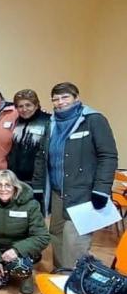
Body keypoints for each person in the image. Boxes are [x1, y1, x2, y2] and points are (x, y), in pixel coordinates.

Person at [33, 82, 118, 269]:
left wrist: (102, 190)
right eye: (55, 99)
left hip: (83, 194)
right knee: (56, 234)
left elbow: (108, 156)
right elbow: (42, 157)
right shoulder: (51, 123)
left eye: (65, 97)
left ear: (76, 98)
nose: (59, 102)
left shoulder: (94, 120)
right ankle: (61, 277)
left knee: (75, 241)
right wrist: (38, 188)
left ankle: (75, 283)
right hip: (56, 192)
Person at [0, 169, 50, 294]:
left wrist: (16, 250)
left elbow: (42, 237)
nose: (3, 189)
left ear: (15, 188)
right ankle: (6, 269)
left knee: (22, 266)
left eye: (8, 185)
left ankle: (25, 275)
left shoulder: (30, 205)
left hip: (21, 250)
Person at [7, 89, 50, 185]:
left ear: (36, 105)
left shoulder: (48, 121)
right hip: (16, 178)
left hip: (38, 179)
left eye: (28, 105)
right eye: (20, 106)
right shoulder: (16, 122)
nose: (24, 109)